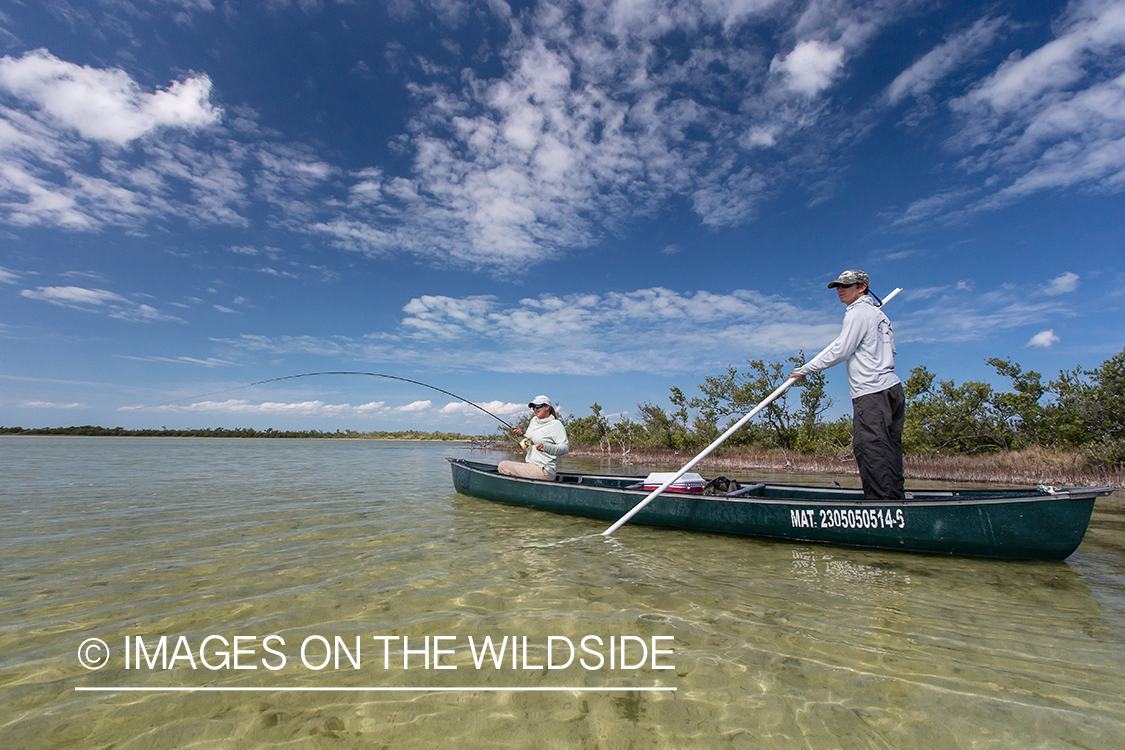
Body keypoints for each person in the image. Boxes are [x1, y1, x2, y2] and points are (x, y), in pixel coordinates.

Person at [790, 270, 905, 499]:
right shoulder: (879, 315)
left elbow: (841, 350)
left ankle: (881, 507)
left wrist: (806, 369)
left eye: (846, 285)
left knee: (870, 449)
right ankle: (895, 498)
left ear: (861, 287)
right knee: (890, 448)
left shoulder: (858, 313)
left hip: (871, 392)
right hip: (893, 389)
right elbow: (891, 351)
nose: (840, 290)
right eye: (837, 287)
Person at [498, 396, 570, 480]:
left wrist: (546, 447)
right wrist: (521, 435)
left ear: (547, 407)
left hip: (545, 469)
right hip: (531, 466)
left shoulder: (555, 424)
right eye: (533, 407)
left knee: (503, 466)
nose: (535, 409)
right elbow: (529, 443)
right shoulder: (534, 421)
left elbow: (565, 448)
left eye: (538, 406)